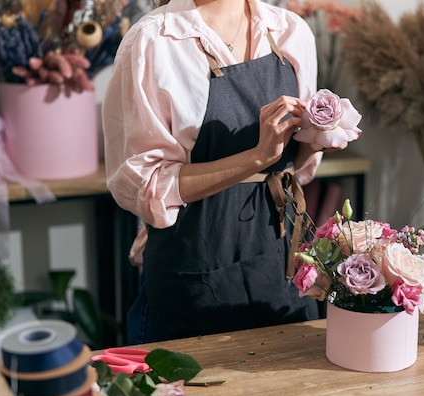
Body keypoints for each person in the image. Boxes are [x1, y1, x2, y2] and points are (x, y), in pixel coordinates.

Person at [102, 0, 344, 344]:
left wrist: (320, 138)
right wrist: (256, 157)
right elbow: (148, 185)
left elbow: (294, 162)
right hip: (194, 268)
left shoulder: (289, 31)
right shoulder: (153, 40)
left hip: (282, 263)